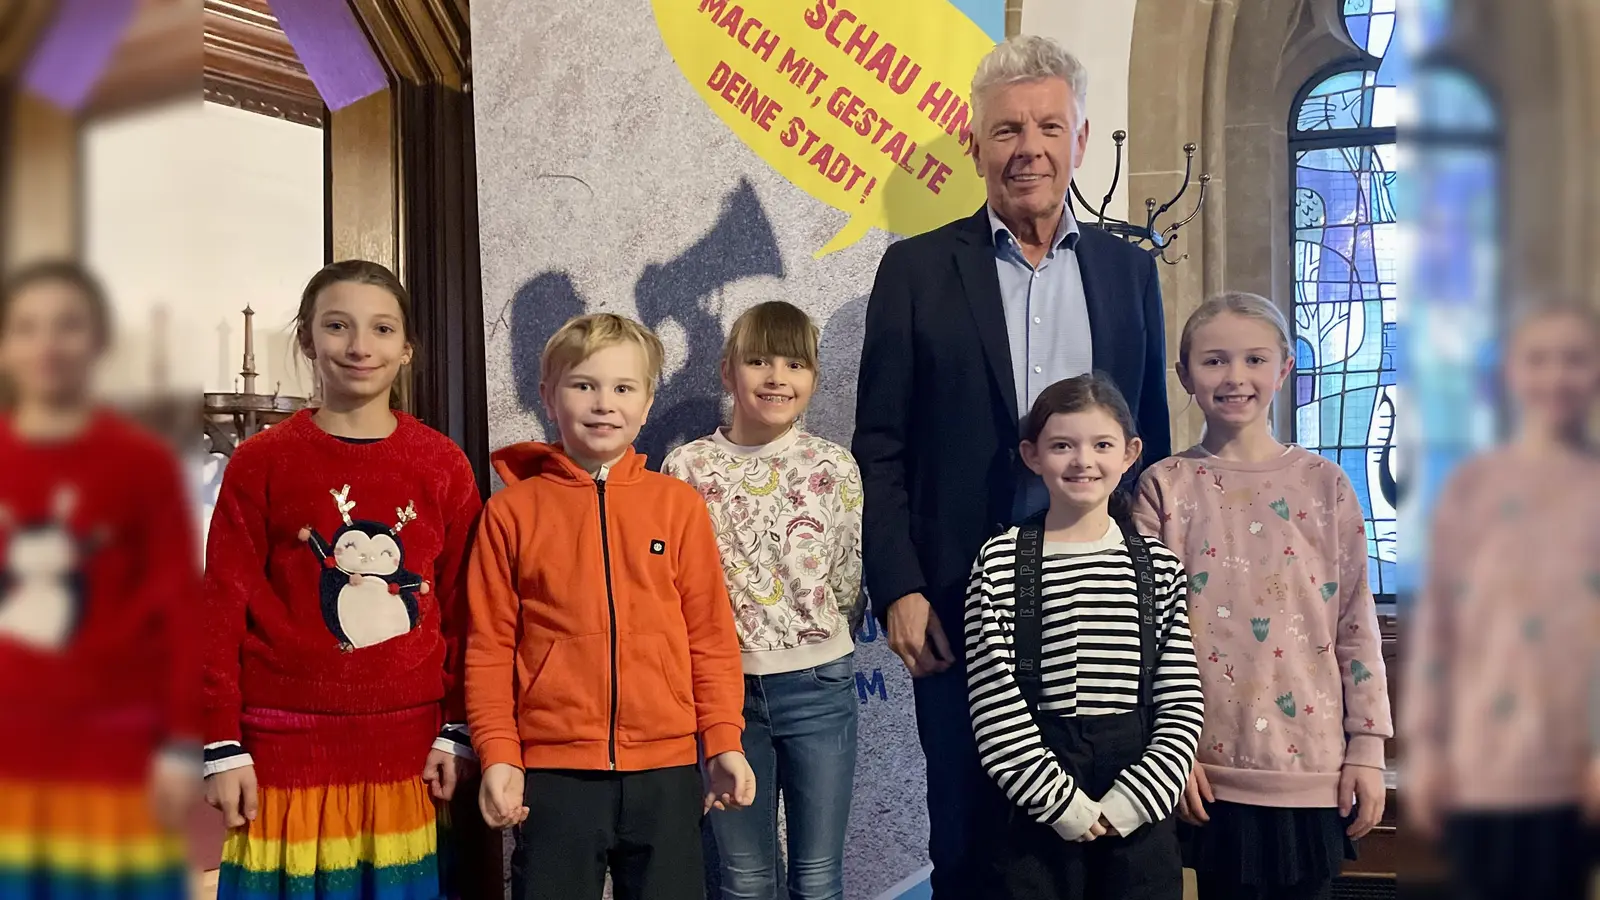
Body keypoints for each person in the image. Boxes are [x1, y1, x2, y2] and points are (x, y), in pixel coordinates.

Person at [852, 33, 1171, 897]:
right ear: (975, 144)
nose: (1027, 147)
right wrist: (899, 588)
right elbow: (879, 448)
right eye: (1005, 130)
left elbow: (1156, 449)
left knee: (1098, 843)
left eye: (1047, 127)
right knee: (963, 835)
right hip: (958, 603)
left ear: (1079, 136)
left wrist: (1162, 593)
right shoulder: (916, 270)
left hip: (1102, 608)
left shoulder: (1129, 272)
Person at [201, 260, 482, 899]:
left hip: (407, 752)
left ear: (407, 348)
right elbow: (220, 606)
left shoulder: (442, 466)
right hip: (280, 749)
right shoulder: (260, 462)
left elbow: (471, 610)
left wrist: (459, 727)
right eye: (337, 326)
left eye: (382, 329)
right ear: (307, 340)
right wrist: (221, 743)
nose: (359, 346)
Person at [466, 312, 756, 900]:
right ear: (548, 397)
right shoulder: (510, 514)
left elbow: (711, 637)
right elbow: (489, 648)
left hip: (667, 771)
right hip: (553, 775)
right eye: (583, 385)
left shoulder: (677, 508)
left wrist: (723, 740)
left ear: (648, 403)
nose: (604, 403)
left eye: (624, 388)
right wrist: (498, 754)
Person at [1131, 292, 1393, 900]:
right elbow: (1148, 636)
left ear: (1284, 368)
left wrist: (1369, 746)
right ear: (1184, 375)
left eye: (1254, 360)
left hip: (1313, 763)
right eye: (1214, 361)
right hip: (1205, 765)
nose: (1235, 377)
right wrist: (1167, 753)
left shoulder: (1324, 484)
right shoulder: (1165, 487)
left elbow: (1356, 620)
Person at [0, 261, 200, 899]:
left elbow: (179, 612)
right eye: (27, 327)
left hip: (118, 762)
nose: (48, 345)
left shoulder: (141, 466)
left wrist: (179, 747)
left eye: (69, 326)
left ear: (98, 343)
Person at [966, 373, 1201, 900]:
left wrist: (1134, 802)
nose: (1082, 461)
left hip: (1139, 803)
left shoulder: (1157, 567)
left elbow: (1181, 699)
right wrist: (1059, 805)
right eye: (1062, 446)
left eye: (1101, 445)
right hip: (1037, 801)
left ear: (1129, 453)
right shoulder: (1003, 561)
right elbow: (994, 701)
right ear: (1032, 455)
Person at [663, 301, 864, 900]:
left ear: (813, 379)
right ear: (728, 372)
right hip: (725, 699)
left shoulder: (833, 465)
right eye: (758, 361)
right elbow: (677, 587)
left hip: (820, 688)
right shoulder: (688, 467)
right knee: (745, 880)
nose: (777, 377)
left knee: (818, 878)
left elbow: (848, 577)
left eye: (795, 364)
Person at [1404, 303, 1600, 900]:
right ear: (1512, 373)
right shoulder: (1472, 485)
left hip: (1573, 766)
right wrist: (1427, 747)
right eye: (1538, 360)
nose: (1556, 377)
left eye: (1575, 360)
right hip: (1478, 762)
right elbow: (1437, 625)